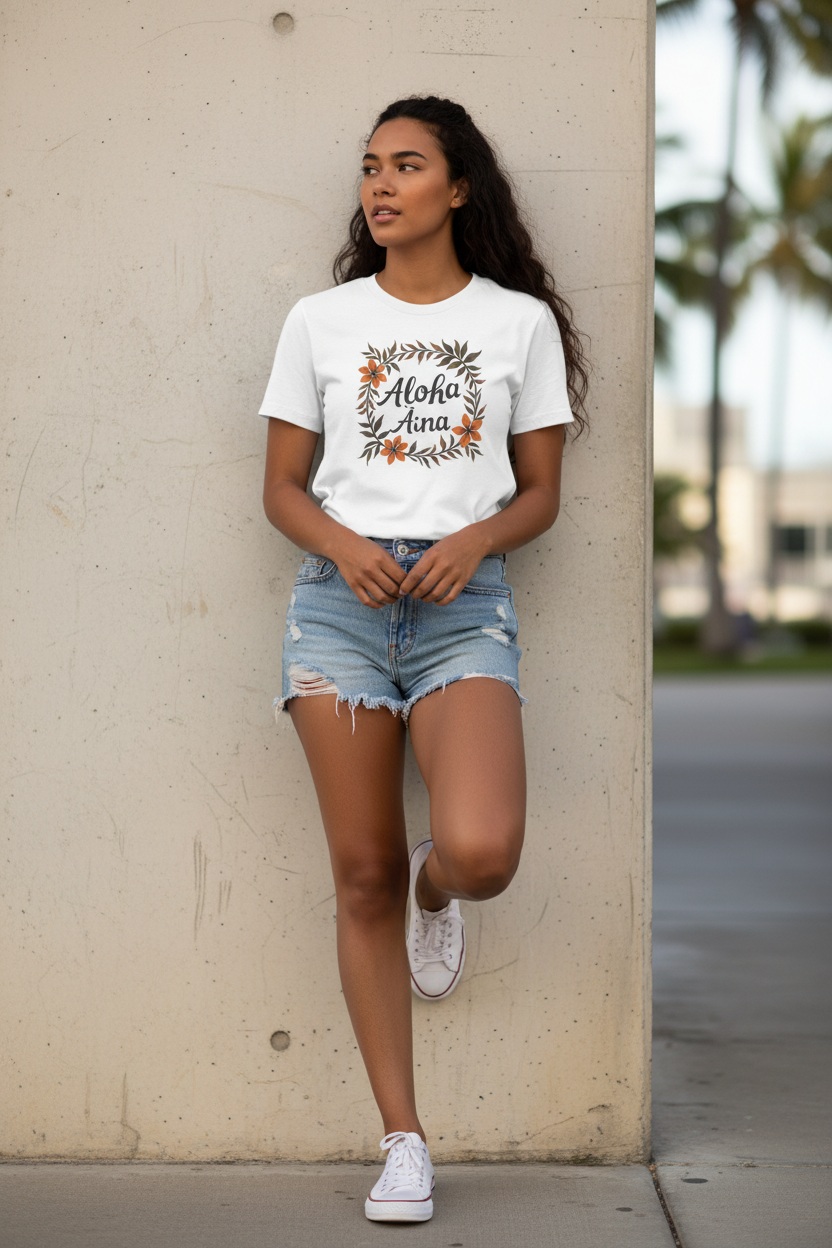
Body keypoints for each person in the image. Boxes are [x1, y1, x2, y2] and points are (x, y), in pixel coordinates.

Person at [259, 95, 588, 1223]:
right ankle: (404, 1141)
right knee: (358, 876)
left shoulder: (517, 324)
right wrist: (344, 547)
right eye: (370, 167)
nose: (381, 185)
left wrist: (475, 540)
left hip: (462, 609)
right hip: (339, 611)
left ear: (458, 189)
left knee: (481, 850)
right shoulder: (321, 321)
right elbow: (281, 489)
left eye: (406, 165)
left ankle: (435, 888)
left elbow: (540, 494)